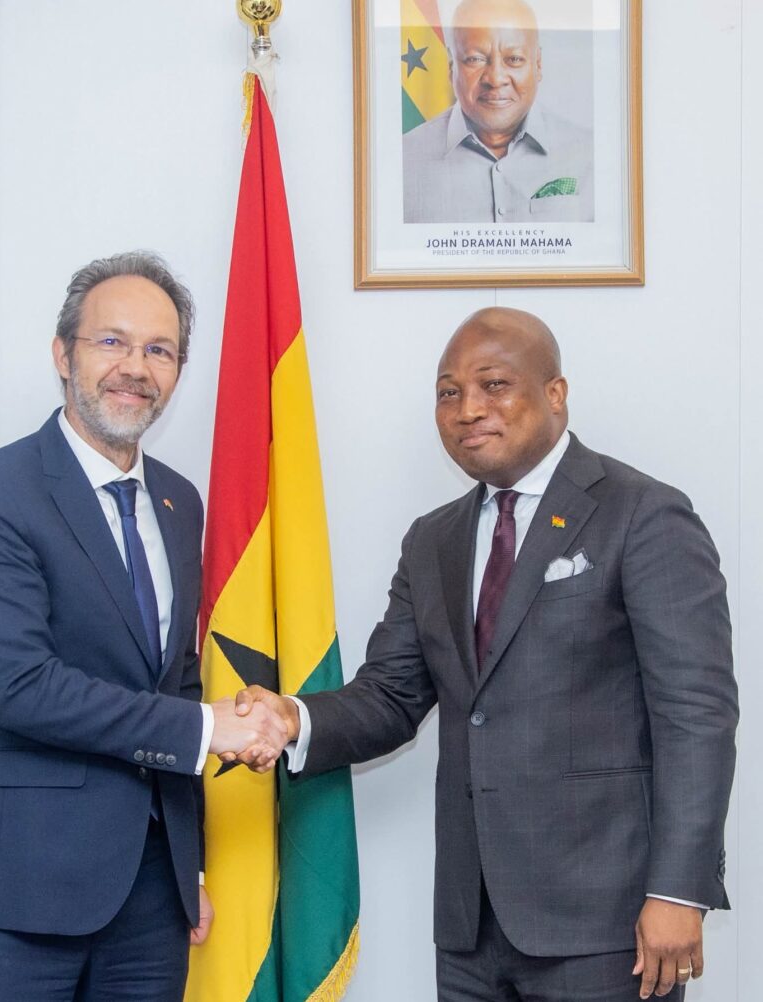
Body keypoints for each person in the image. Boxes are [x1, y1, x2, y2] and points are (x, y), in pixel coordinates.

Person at [231, 307, 738, 1002]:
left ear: (554, 394)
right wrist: (291, 719)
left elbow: (696, 716)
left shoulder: (642, 514)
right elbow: (392, 695)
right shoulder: (433, 539)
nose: (469, 409)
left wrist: (680, 890)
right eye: (448, 392)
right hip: (471, 928)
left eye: (494, 384)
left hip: (609, 924)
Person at [0, 252, 287, 1002]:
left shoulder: (179, 503)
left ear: (179, 370)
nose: (135, 367)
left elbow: (173, 676)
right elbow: (17, 687)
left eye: (159, 350)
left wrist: (190, 869)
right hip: (14, 898)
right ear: (64, 354)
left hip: (151, 904)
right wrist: (204, 729)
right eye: (112, 342)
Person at [403, 0, 594, 224]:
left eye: (514, 59)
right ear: (451, 66)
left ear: (538, 65)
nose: (495, 79)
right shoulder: (403, 161)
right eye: (475, 59)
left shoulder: (590, 155)